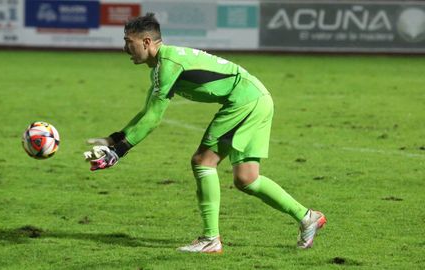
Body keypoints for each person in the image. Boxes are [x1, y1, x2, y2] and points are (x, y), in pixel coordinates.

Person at [84, 13, 326, 253]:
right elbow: (147, 112)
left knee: (203, 161)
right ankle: (307, 217)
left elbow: (153, 118)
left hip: (244, 101)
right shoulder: (164, 65)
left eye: (129, 42)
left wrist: (118, 152)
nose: (125, 48)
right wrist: (114, 139)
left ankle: (211, 239)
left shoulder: (169, 65)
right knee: (247, 179)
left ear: (146, 42)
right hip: (257, 99)